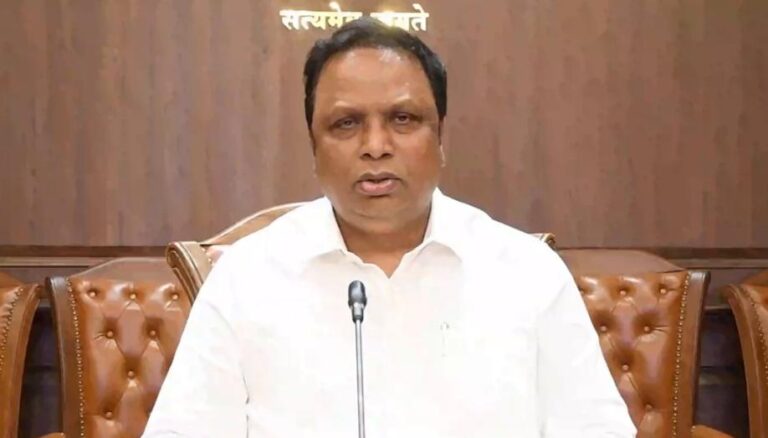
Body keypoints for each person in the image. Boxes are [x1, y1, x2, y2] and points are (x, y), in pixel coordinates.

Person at [143, 18, 635, 437]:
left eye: (402, 119)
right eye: (346, 124)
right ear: (313, 146)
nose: (375, 146)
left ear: (440, 137)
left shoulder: (529, 274)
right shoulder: (245, 278)